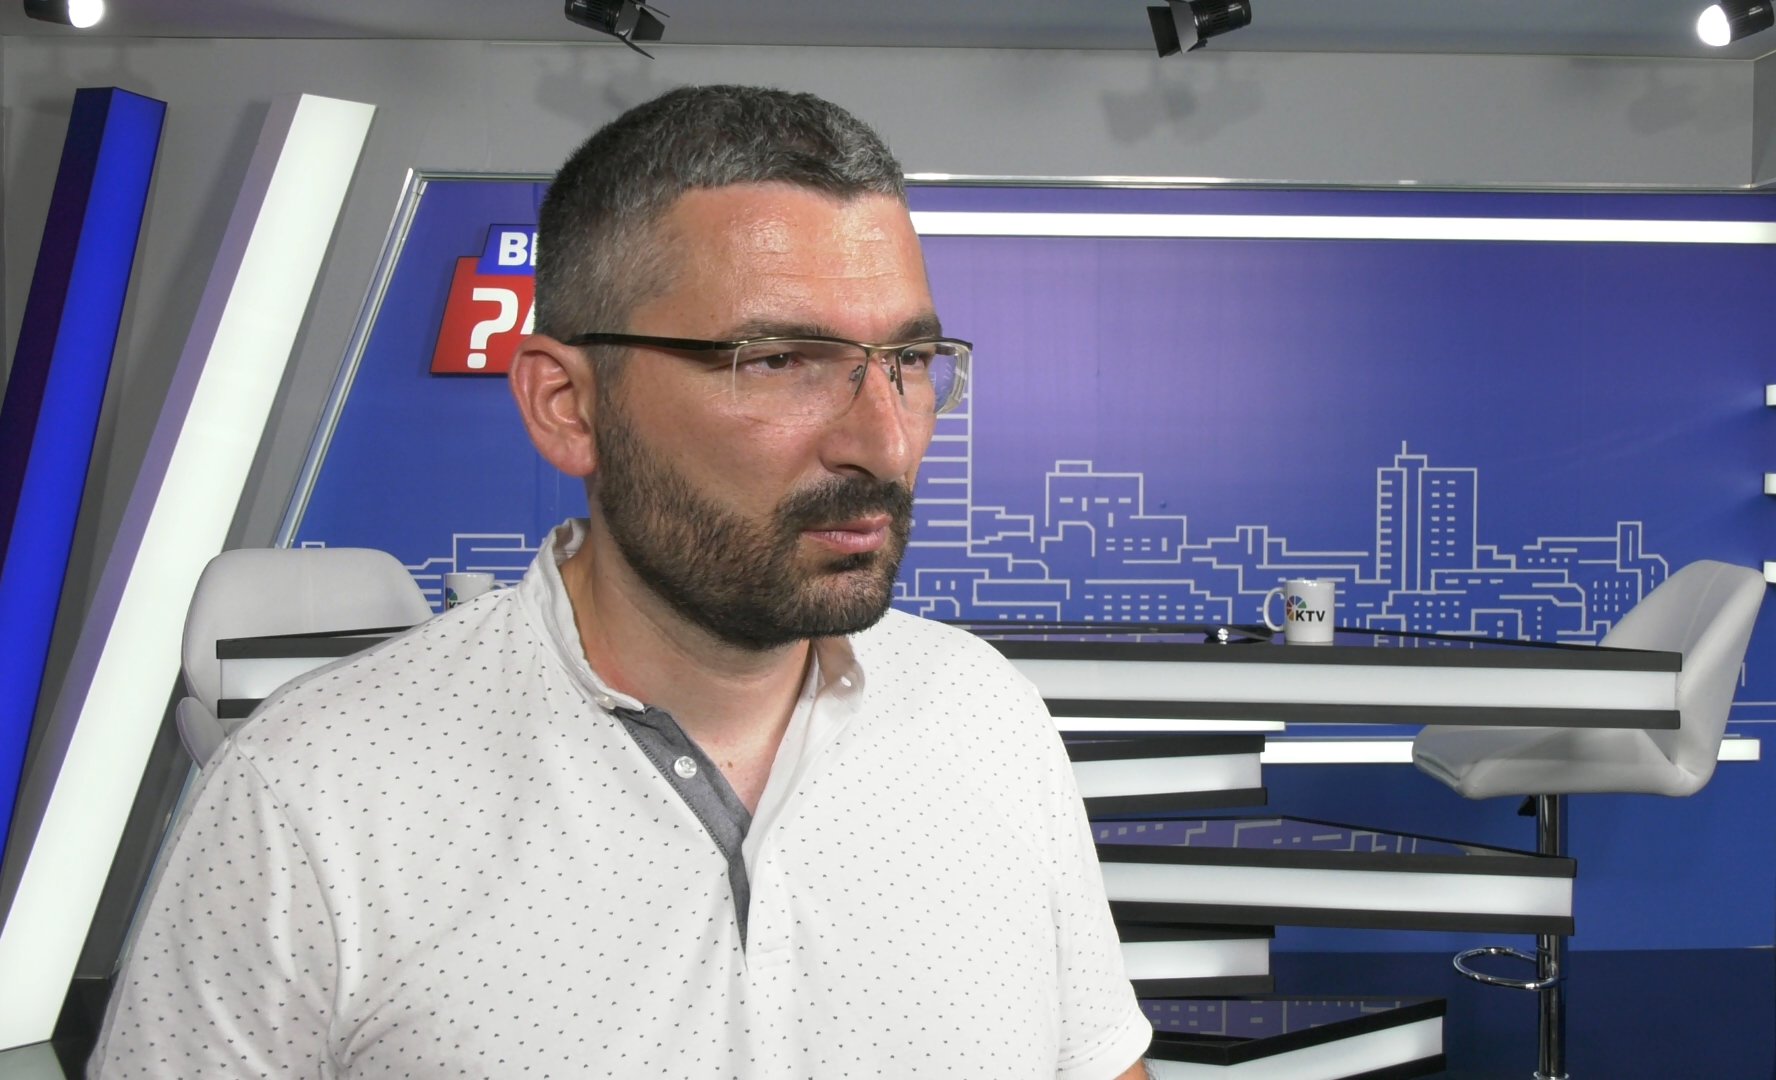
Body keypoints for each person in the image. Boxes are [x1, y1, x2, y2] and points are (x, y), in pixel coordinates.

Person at [91, 85, 1151, 1079]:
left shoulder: (990, 721)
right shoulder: (310, 797)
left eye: (909, 362)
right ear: (567, 404)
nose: (885, 441)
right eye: (779, 360)